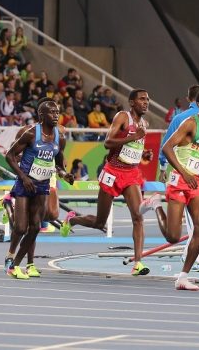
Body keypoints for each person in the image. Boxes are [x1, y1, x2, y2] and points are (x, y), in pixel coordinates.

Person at [60, 90, 155, 276]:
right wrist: (133, 137)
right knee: (99, 222)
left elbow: (133, 148)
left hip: (131, 174)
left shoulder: (145, 123)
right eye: (142, 99)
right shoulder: (123, 117)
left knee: (138, 217)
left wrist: (144, 154)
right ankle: (72, 219)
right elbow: (108, 142)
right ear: (132, 102)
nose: (146, 102)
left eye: (148, 99)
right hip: (112, 172)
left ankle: (138, 263)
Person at [157, 89, 199, 290]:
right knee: (173, 236)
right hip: (180, 180)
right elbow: (167, 148)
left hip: (196, 182)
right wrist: (184, 172)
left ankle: (183, 276)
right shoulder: (190, 123)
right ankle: (155, 205)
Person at [5, 100, 74, 279]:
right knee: (21, 227)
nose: (56, 115)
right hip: (25, 183)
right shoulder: (30, 134)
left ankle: (15, 266)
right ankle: (10, 256)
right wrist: (24, 177)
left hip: (43, 185)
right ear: (41, 116)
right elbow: (10, 156)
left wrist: (65, 175)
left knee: (35, 227)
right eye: (51, 112)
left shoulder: (61, 138)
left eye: (57, 112)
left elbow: (59, 165)